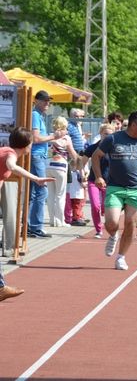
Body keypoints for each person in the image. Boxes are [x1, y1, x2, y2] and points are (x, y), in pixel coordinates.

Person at [92, 111, 137, 270]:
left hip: (136, 189)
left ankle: (121, 257)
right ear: (133, 125)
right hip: (115, 188)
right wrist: (98, 177)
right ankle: (113, 235)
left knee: (130, 222)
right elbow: (96, 156)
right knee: (111, 223)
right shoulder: (113, 138)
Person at [0, 127, 55, 301]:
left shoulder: (5, 150)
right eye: (31, 143)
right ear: (26, 145)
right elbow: (11, 166)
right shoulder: (10, 154)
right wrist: (36, 178)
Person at [28, 90, 67, 238]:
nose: (47, 103)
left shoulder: (39, 116)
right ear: (36, 101)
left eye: (48, 101)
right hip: (37, 156)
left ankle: (30, 226)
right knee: (41, 191)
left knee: (34, 192)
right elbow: (36, 138)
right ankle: (35, 226)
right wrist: (54, 136)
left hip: (40, 155)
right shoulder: (35, 115)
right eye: (44, 101)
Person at [45, 116, 80, 228]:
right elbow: (73, 154)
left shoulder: (49, 136)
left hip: (48, 165)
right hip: (60, 166)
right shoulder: (66, 138)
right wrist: (80, 165)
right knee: (60, 195)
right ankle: (60, 221)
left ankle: (51, 220)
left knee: (51, 194)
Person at [81, 123, 114, 238]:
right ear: (100, 134)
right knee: (95, 206)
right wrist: (82, 174)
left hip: (109, 182)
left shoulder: (114, 149)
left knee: (106, 207)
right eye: (105, 134)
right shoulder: (93, 147)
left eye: (110, 135)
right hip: (93, 181)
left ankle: (108, 224)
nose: (107, 137)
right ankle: (99, 230)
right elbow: (82, 162)